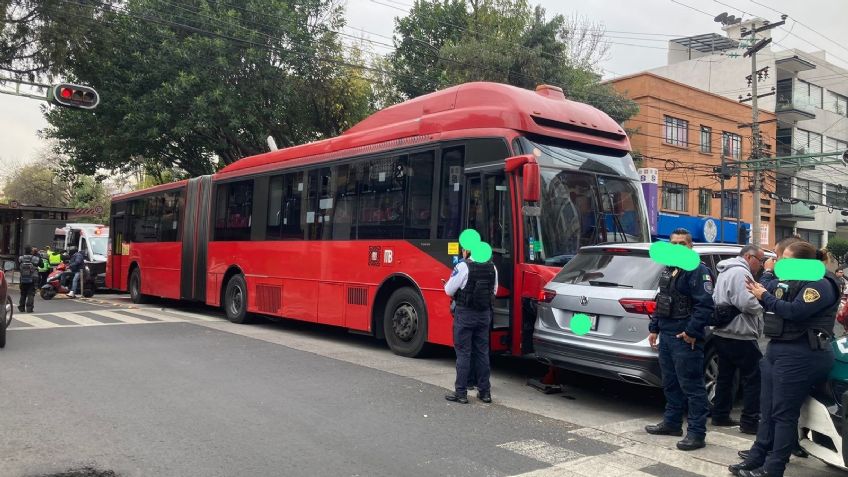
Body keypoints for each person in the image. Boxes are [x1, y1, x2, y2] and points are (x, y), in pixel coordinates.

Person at [731, 241, 840, 477]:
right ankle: (757, 457)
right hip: (779, 348)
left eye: (786, 261)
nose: (780, 264)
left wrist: (765, 296)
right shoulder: (793, 279)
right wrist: (765, 285)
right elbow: (771, 290)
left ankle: (773, 469)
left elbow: (794, 311)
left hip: (802, 353)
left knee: (783, 414)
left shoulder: (820, 284)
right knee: (768, 409)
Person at [645, 228, 714, 451]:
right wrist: (654, 328)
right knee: (671, 383)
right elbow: (662, 300)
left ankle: (696, 433)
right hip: (666, 334)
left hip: (685, 337)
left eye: (681, 244)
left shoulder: (697, 270)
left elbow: (705, 305)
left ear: (690, 247)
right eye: (672, 243)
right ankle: (672, 423)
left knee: (692, 386)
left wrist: (692, 332)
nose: (676, 247)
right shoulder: (670, 268)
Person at [711, 245, 766, 435]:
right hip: (740, 333)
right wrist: (763, 301)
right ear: (749, 257)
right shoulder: (741, 273)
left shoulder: (726, 270)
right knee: (754, 378)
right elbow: (746, 302)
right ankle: (750, 422)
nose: (761, 265)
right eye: (760, 261)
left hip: (723, 332)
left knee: (726, 376)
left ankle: (720, 415)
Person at [443, 244, 498, 404]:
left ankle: (461, 393)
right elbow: (494, 291)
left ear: (468, 251)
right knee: (482, 352)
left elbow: (448, 290)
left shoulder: (463, 266)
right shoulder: (492, 267)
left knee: (463, 353)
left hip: (465, 314)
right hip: (484, 315)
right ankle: (485, 392)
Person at [17, 245, 42, 313]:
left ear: (24, 251)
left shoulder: (21, 258)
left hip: (23, 278)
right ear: (31, 251)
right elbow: (41, 265)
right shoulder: (36, 258)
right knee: (31, 293)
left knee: (23, 293)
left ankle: (21, 308)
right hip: (33, 278)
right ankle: (29, 308)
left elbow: (18, 265)